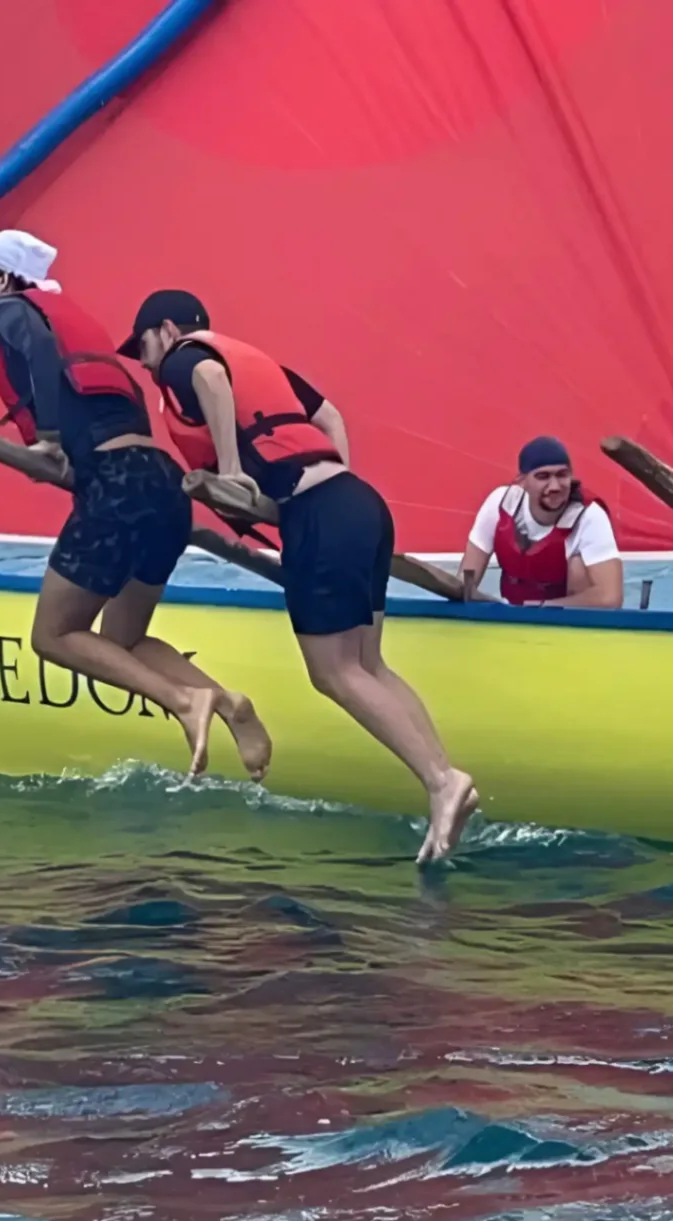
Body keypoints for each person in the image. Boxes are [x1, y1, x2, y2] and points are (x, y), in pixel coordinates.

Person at [118, 289, 476, 864]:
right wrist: (335, 481)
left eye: (142, 347)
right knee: (368, 664)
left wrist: (231, 471)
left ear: (165, 329)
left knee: (332, 673)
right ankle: (447, 778)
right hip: (360, 504)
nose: (143, 360)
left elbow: (208, 378)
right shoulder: (265, 369)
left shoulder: (186, 357)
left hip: (322, 519)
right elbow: (329, 416)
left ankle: (440, 780)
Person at [0, 233, 270, 781]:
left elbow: (35, 347)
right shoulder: (78, 331)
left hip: (119, 484)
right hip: (164, 486)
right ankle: (228, 703)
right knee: (124, 639)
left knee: (53, 635)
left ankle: (184, 702)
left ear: (7, 278)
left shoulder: (9, 309)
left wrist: (51, 438)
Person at [459, 438, 624, 608]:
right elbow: (465, 580)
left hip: (567, 622)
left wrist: (540, 608)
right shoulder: (500, 504)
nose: (555, 486)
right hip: (510, 617)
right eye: (542, 477)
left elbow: (610, 599)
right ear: (521, 482)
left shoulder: (589, 515)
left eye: (562, 475)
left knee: (578, 566)